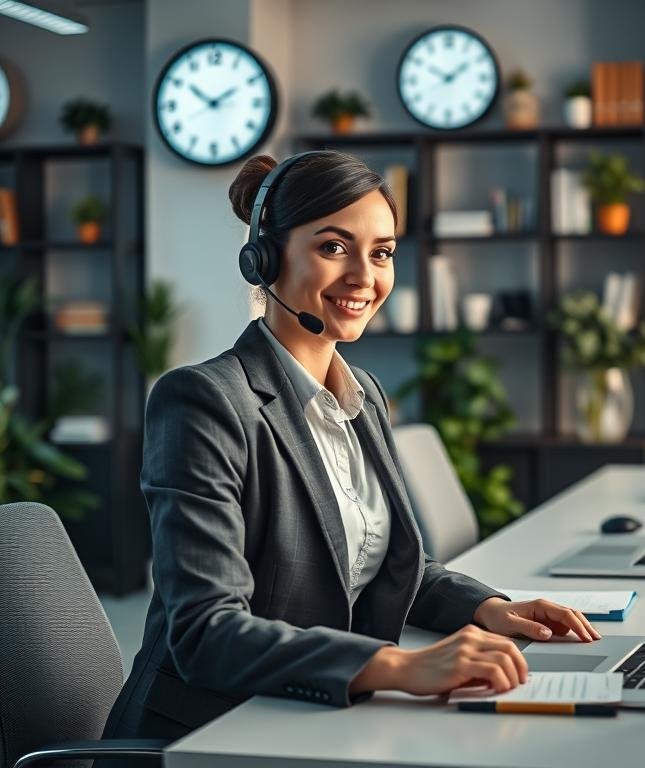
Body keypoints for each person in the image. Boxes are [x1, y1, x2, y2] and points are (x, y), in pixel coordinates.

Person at [99, 150, 600, 749]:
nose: (365, 276)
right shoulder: (204, 401)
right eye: (334, 247)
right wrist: (398, 667)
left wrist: (490, 607)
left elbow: (381, 566)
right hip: (210, 736)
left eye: (382, 252)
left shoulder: (363, 394)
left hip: (316, 724)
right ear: (264, 260)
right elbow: (207, 631)